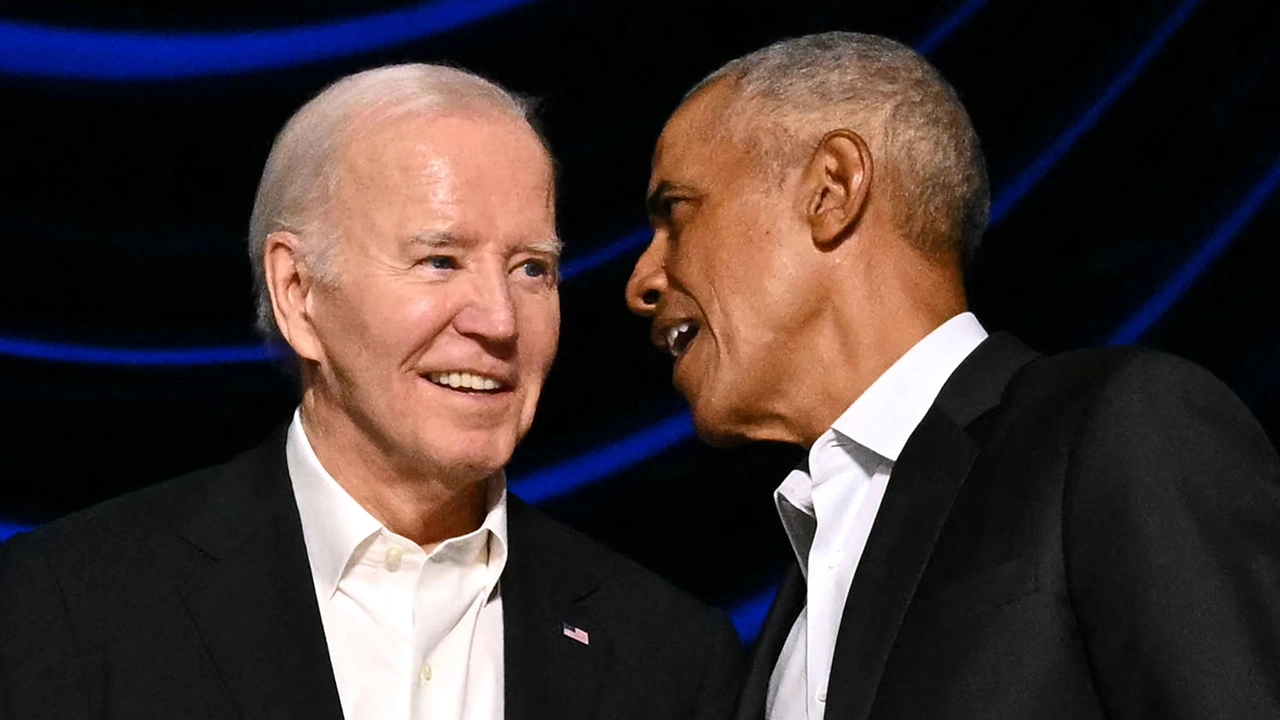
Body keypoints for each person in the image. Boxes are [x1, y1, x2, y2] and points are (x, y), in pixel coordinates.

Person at [0, 64, 742, 720]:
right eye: (440, 261)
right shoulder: (66, 608)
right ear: (297, 292)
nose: (498, 321)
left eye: (531, 269)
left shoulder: (670, 658)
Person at [625, 32, 1280, 720]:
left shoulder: (1117, 429)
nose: (641, 279)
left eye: (676, 213)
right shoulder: (781, 629)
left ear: (833, 190)